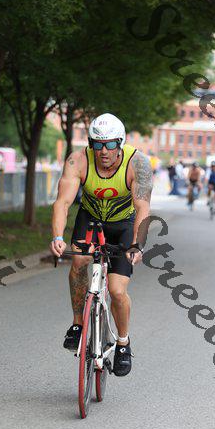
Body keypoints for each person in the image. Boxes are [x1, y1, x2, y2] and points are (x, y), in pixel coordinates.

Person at [50, 113, 153, 377]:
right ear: (91, 144)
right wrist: (58, 237)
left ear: (120, 143)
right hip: (91, 220)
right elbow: (62, 202)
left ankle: (123, 342)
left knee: (117, 291)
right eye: (97, 144)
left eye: (110, 144)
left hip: (123, 225)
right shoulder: (77, 160)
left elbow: (142, 208)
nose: (103, 151)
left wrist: (137, 244)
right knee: (79, 261)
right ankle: (77, 325)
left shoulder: (138, 163)